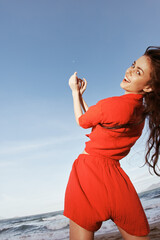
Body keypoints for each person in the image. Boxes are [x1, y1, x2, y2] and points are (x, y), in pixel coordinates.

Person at [63, 46, 160, 240]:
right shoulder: (140, 113)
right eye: (133, 65)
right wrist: (83, 98)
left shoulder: (112, 105)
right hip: (116, 180)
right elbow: (103, 121)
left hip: (87, 174)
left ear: (148, 86)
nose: (129, 71)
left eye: (138, 72)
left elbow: (83, 121)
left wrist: (75, 92)